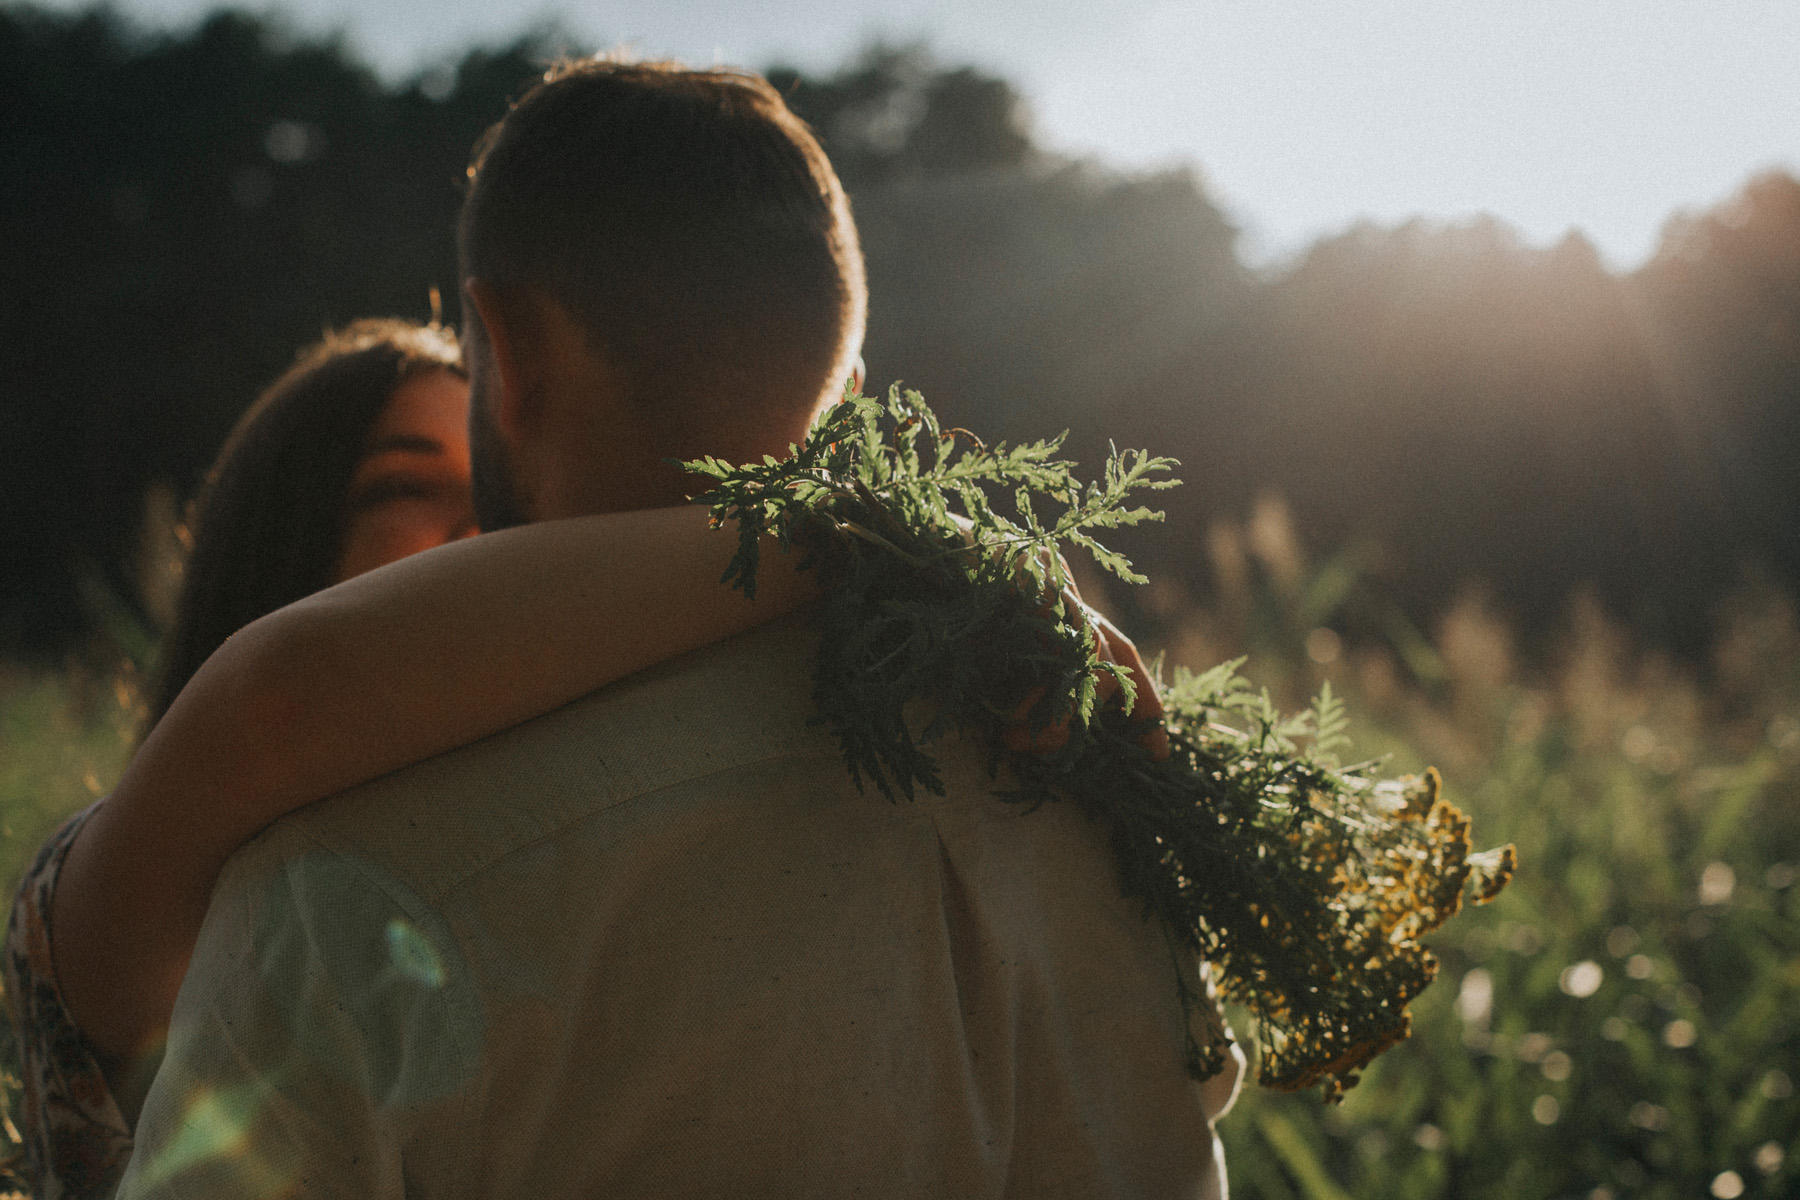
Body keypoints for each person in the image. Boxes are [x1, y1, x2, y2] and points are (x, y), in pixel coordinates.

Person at [113, 58, 1242, 1200]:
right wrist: (912, 545)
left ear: (509, 350)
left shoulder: (338, 896)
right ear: (845, 394)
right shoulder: (1088, 812)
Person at [6, 320, 825, 1197]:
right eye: (408, 484)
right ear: (279, 530)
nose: (484, 538)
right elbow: (276, 701)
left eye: (504, 501)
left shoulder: (548, 863)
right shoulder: (93, 880)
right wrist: (863, 545)